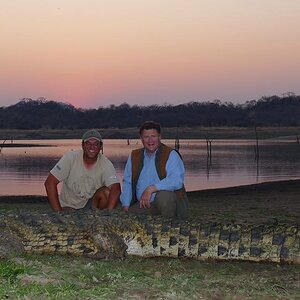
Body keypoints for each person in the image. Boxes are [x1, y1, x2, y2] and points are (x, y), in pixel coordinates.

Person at [120, 121, 188, 218]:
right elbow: (128, 182)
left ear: (160, 137)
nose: (150, 140)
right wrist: (125, 205)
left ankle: (170, 223)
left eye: (153, 136)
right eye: (146, 137)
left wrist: (151, 189)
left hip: (167, 203)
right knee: (128, 219)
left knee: (165, 197)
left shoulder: (171, 154)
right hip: (144, 204)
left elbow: (177, 181)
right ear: (141, 139)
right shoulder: (134, 155)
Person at [44, 129, 121, 211]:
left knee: (107, 192)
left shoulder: (106, 163)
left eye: (96, 144)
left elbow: (115, 188)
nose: (92, 147)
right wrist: (58, 211)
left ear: (101, 147)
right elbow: (50, 183)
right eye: (88, 143)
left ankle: (102, 217)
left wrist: (109, 212)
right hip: (68, 207)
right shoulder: (70, 157)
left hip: (91, 206)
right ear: (83, 145)